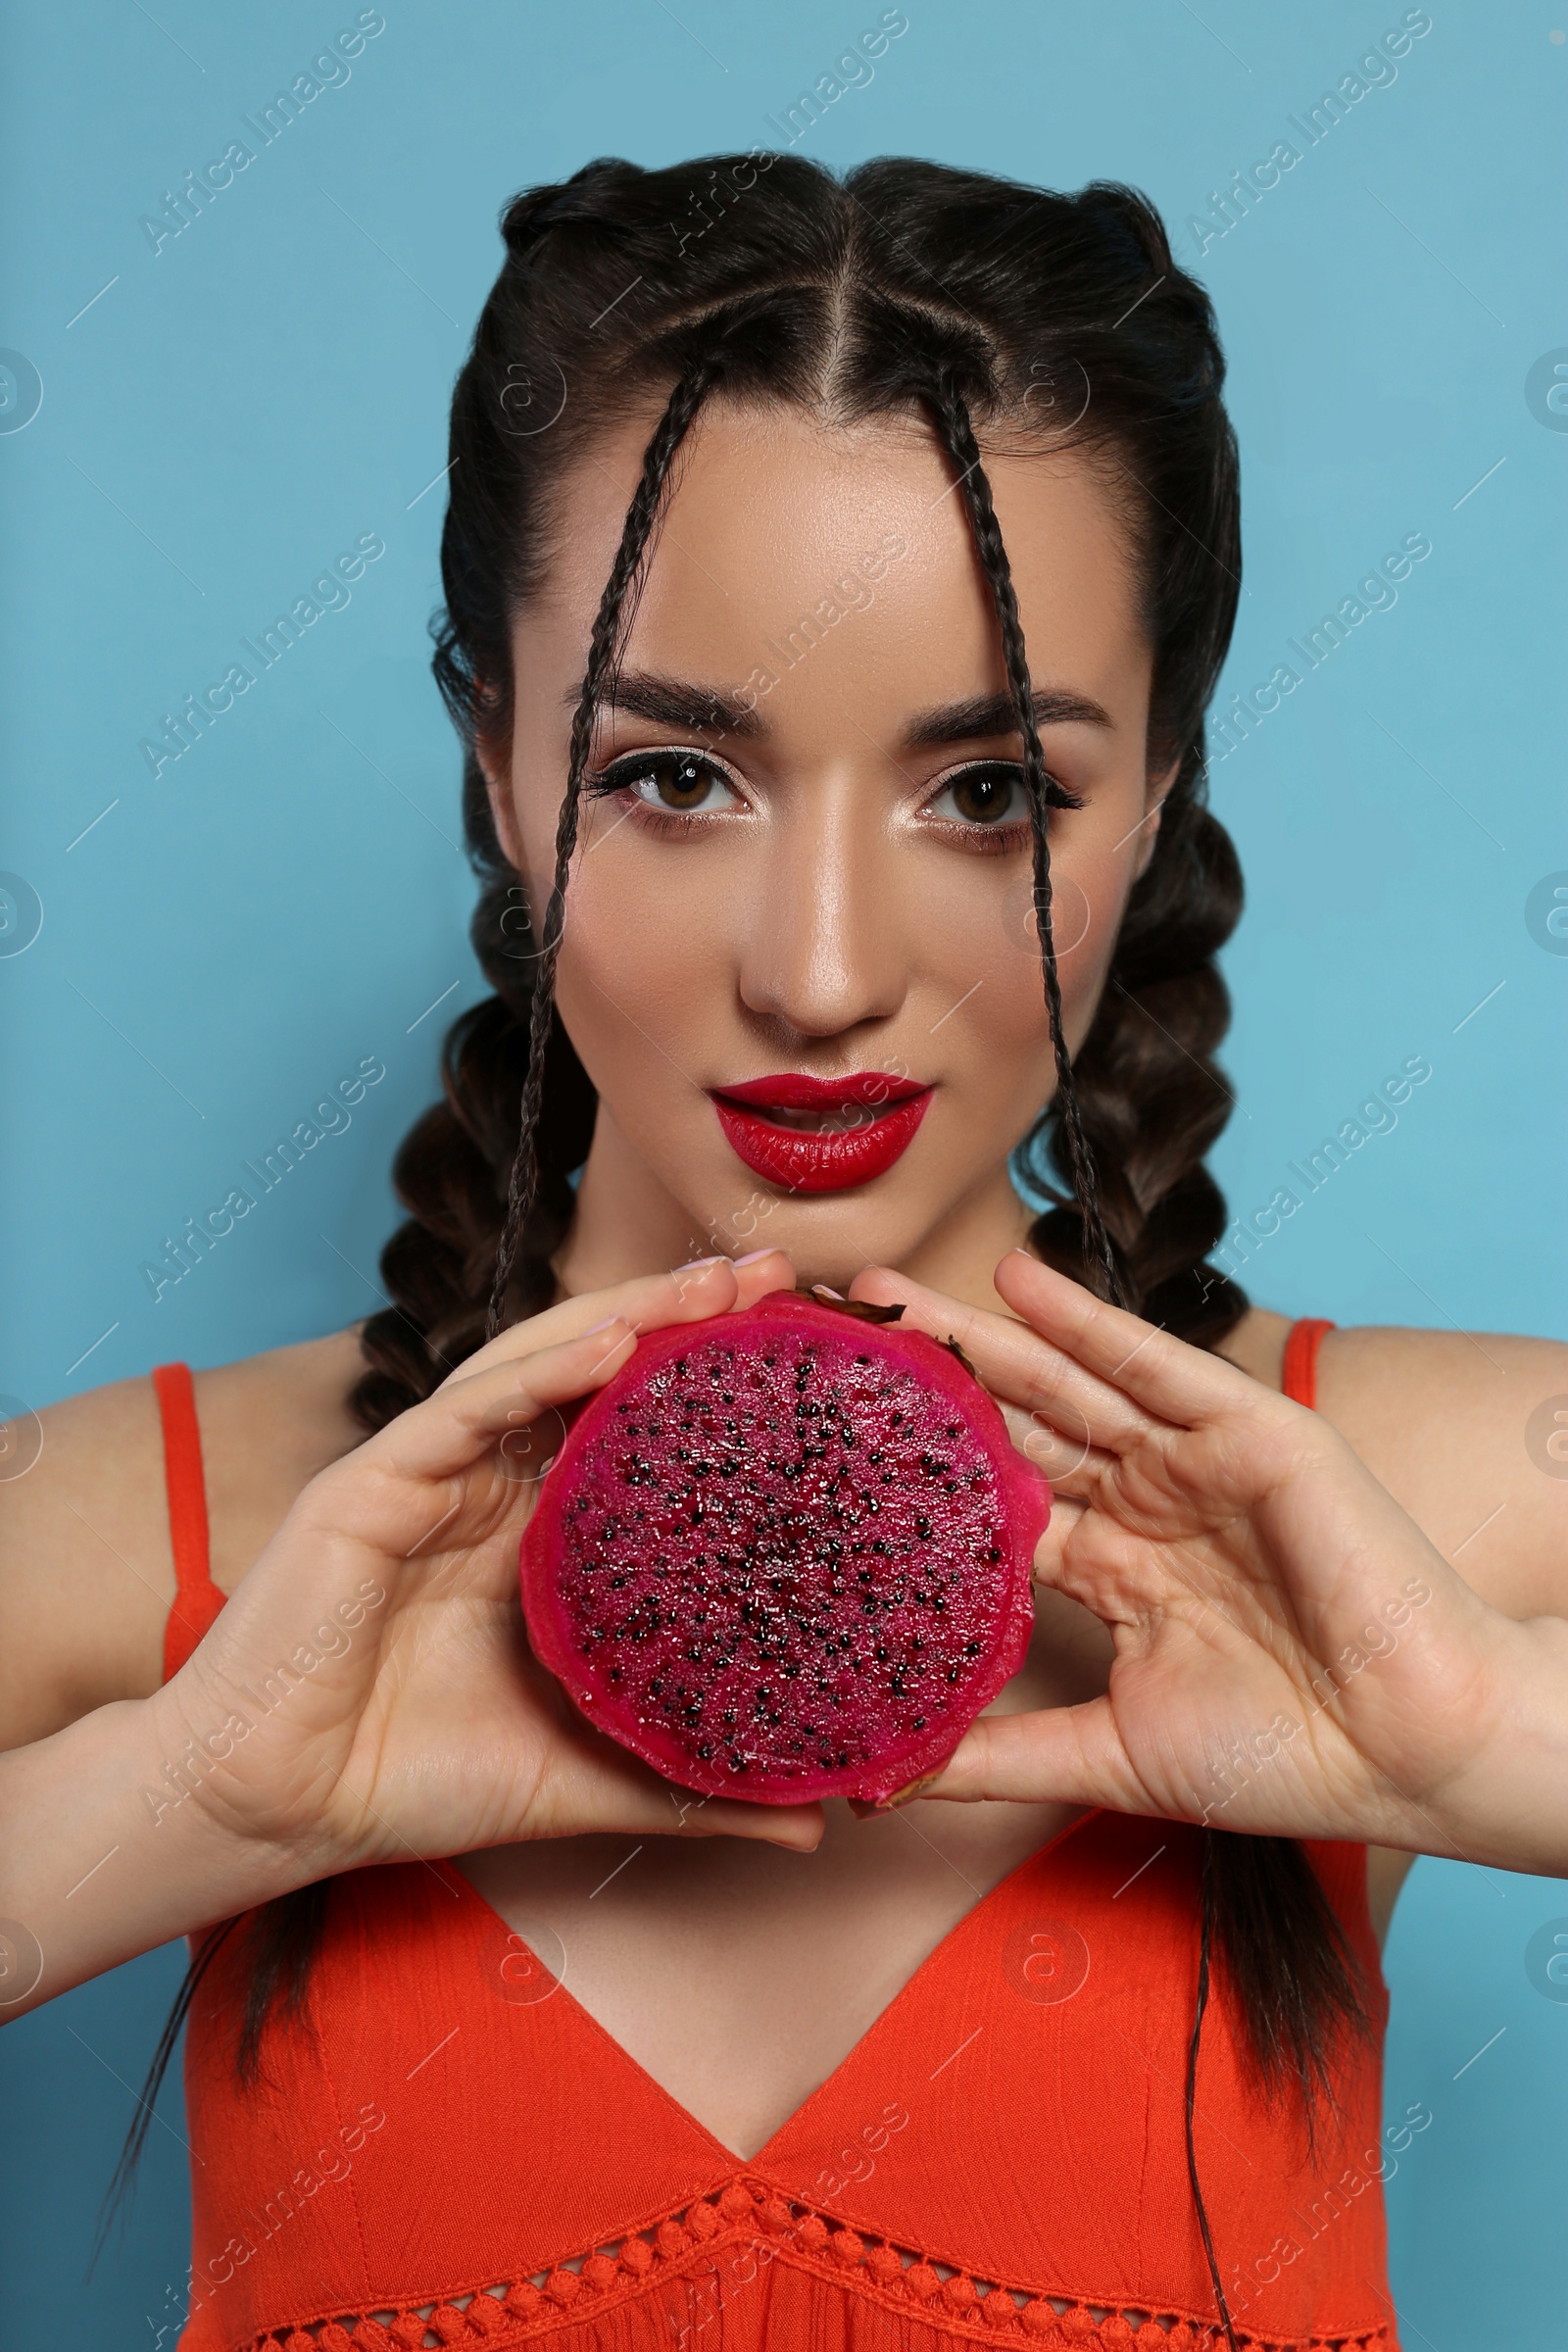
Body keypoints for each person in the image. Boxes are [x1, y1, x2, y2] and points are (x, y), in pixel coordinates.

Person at [3, 152, 1564, 2352]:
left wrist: (1485, 1732)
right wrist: (168, 1809)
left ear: (1159, 797)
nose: (819, 974)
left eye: (991, 793)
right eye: (667, 775)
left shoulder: (1427, 1495)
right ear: (492, 763)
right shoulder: (133, 1534)